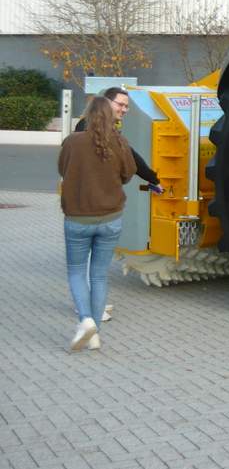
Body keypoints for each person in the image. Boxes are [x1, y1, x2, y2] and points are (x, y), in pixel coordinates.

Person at [58, 96, 136, 352]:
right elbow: (128, 174)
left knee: (77, 272)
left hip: (78, 218)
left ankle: (86, 320)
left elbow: (62, 169)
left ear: (89, 116)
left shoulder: (72, 142)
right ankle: (95, 335)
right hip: (110, 218)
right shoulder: (120, 142)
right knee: (99, 275)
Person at [74, 87, 163, 193]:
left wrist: (153, 179)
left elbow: (130, 155)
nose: (124, 110)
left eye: (126, 106)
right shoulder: (87, 125)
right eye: (120, 105)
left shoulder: (109, 129)